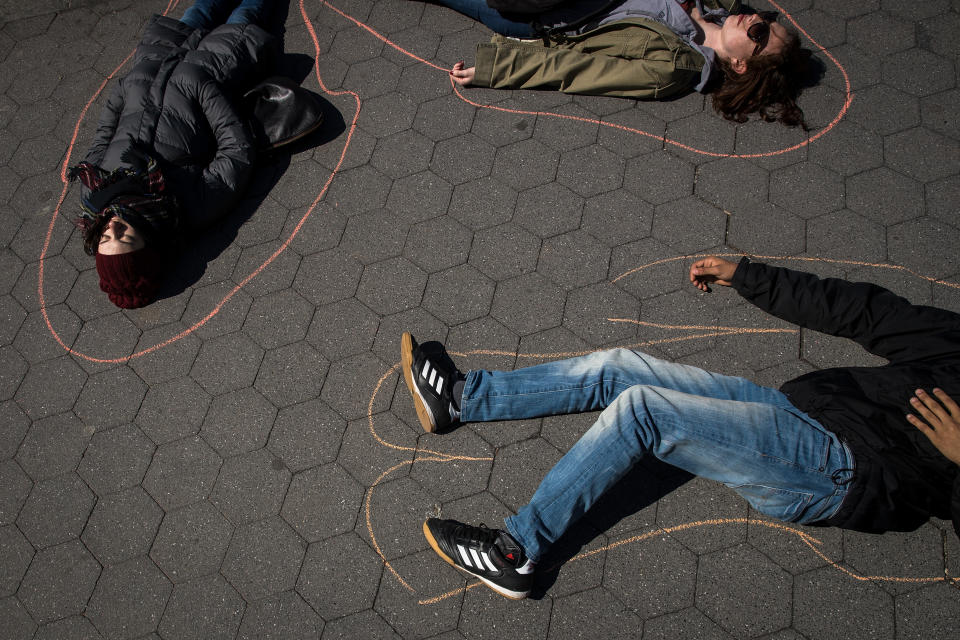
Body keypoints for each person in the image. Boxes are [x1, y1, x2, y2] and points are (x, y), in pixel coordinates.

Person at [401, 256, 960, 599]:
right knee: (622, 367)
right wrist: (751, 277)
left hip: (843, 474)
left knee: (643, 410)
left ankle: (515, 552)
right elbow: (865, 312)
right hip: (809, 413)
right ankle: (458, 399)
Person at [68, 0, 287, 308]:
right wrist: (202, 89)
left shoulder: (94, 193)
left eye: (105, 239)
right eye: (126, 238)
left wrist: (122, 90)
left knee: (202, 8)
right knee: (247, 11)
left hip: (158, 58)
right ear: (150, 244)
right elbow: (236, 153)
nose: (113, 227)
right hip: (213, 66)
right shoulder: (187, 208)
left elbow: (103, 135)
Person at [437, 0, 812, 127]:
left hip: (543, 11)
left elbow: (580, 70)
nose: (755, 22)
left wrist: (499, 70)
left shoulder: (673, 67)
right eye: (765, 19)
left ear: (741, 65)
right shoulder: (713, 4)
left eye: (760, 36)